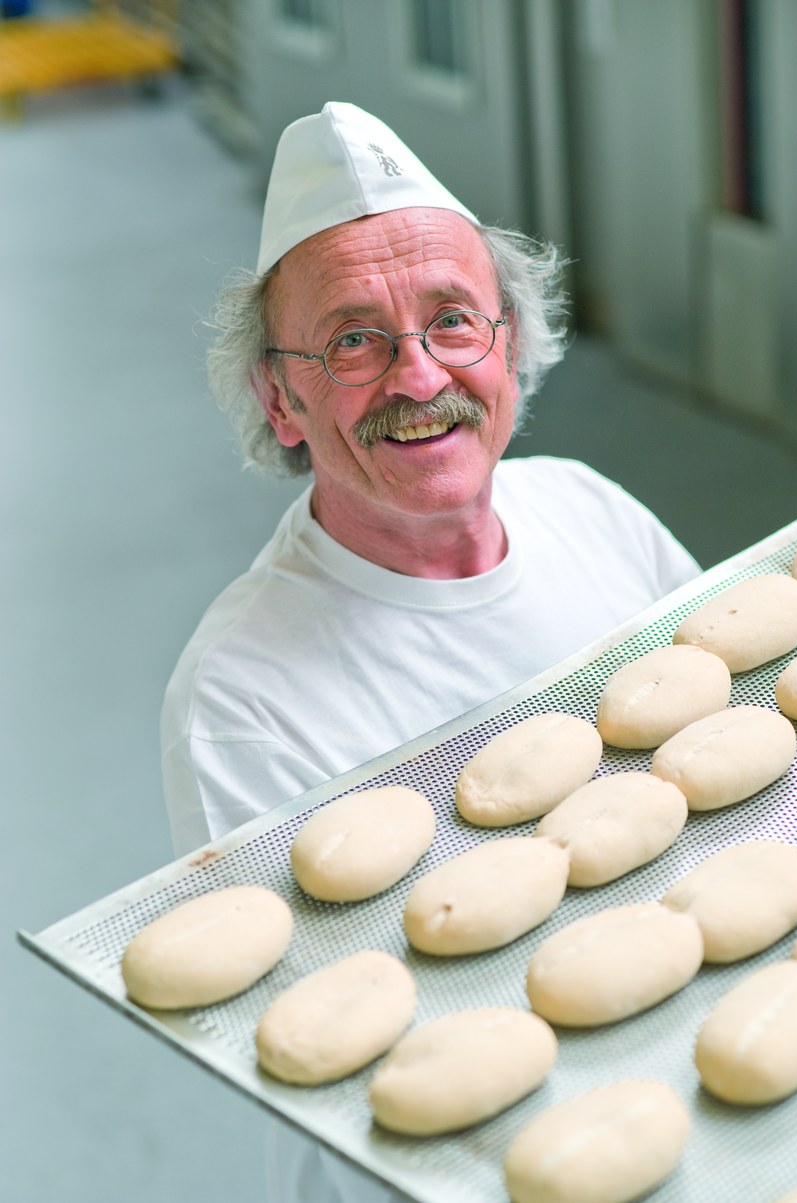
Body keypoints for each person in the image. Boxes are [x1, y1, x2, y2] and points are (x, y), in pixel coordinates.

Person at [161, 102, 700, 1202]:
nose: (417, 378)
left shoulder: (588, 510)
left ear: (508, 343)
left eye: (453, 322)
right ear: (281, 396)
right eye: (353, 339)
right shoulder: (242, 694)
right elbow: (335, 1044)